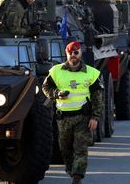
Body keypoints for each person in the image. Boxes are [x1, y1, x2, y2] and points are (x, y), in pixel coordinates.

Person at [42, 41, 104, 184]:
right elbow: (46, 88)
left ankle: (77, 177)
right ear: (66, 53)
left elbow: (97, 97)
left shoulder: (91, 73)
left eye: (76, 52)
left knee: (80, 149)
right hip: (63, 118)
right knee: (65, 150)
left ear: (80, 53)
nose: (73, 55)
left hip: (83, 118)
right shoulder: (56, 71)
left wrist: (95, 117)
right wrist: (57, 94)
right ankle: (72, 171)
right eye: (70, 53)